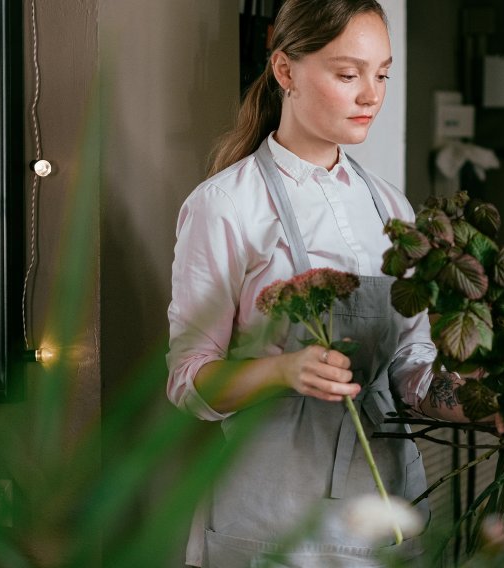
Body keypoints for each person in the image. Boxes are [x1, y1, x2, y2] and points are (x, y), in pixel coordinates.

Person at [167, 1, 471, 566]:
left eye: (381, 74)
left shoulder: (390, 206)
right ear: (285, 71)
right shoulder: (225, 206)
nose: (371, 96)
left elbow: (411, 367)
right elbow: (189, 382)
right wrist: (283, 369)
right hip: (272, 528)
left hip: (387, 519)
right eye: (348, 74)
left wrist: (486, 398)